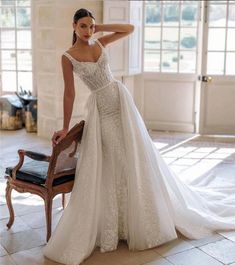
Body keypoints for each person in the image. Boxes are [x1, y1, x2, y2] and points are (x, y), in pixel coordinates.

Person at [43, 8, 235, 265]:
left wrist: (100, 28)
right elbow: (69, 93)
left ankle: (141, 218)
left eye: (91, 26)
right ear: (74, 26)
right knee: (114, 161)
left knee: (135, 156)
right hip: (101, 110)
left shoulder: (99, 41)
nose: (88, 31)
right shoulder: (68, 57)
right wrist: (65, 127)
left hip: (122, 104)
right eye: (83, 26)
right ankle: (117, 224)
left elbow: (130, 29)